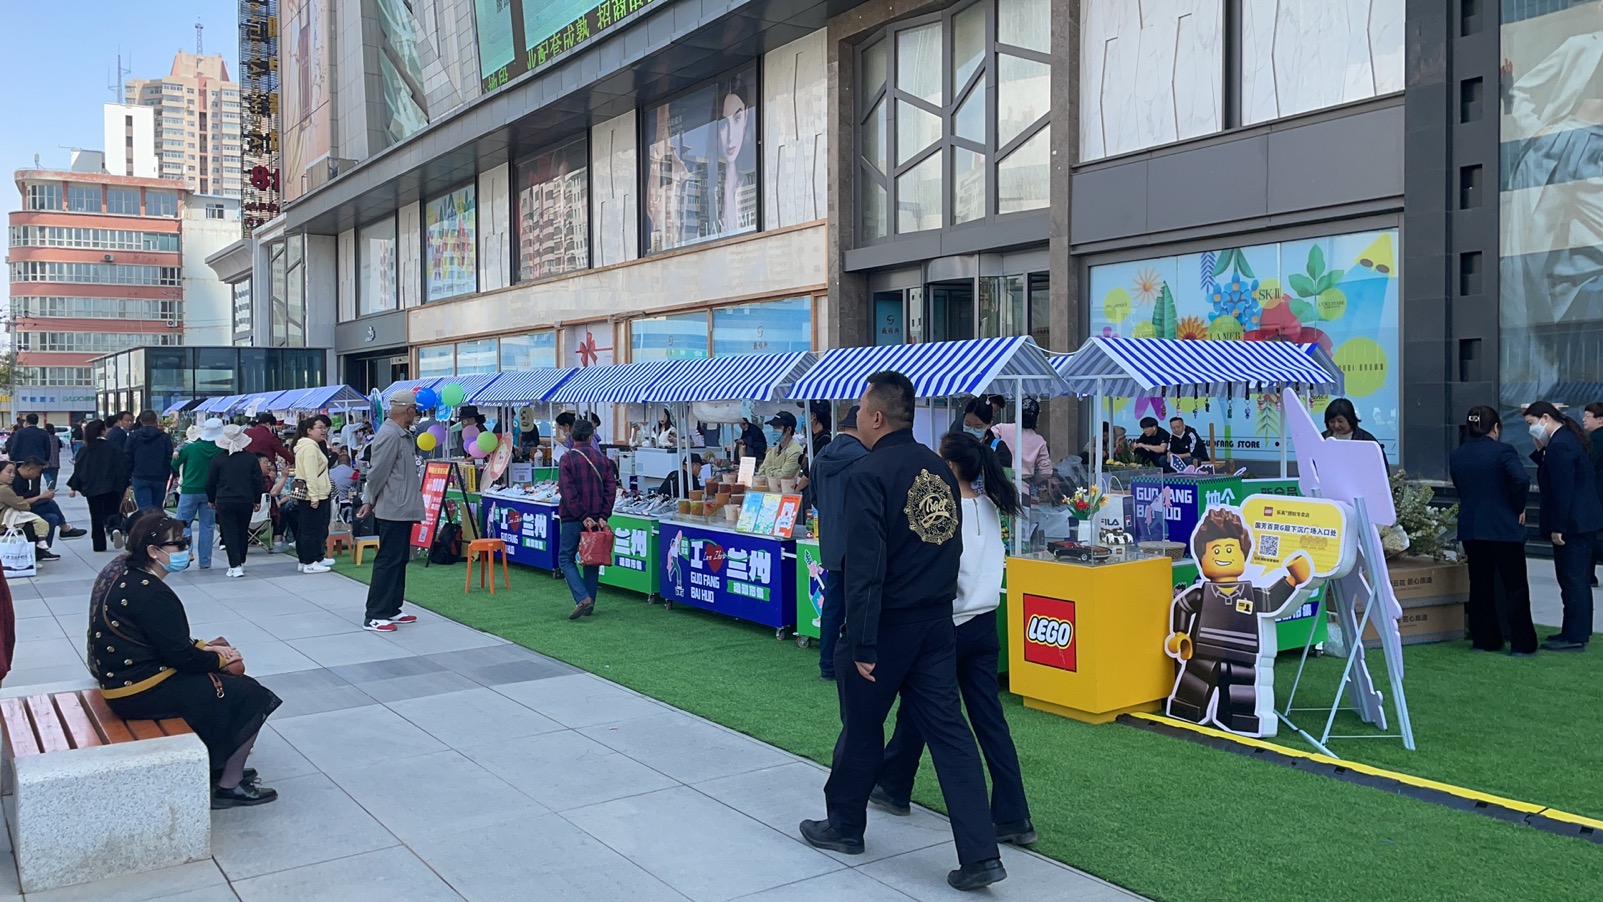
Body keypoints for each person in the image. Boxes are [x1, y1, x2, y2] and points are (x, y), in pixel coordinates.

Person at [800, 370, 1005, 892]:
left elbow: (865, 566)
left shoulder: (870, 473)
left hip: (888, 623)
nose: (857, 418)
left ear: (876, 416)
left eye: (860, 409)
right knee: (951, 735)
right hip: (937, 623)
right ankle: (981, 854)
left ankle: (845, 825)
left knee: (862, 725)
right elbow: (951, 547)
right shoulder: (938, 469)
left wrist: (862, 641)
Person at [871, 431, 1035, 843]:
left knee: (925, 708)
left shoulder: (946, 507)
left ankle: (894, 784)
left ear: (949, 465)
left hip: (949, 622)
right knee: (985, 721)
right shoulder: (990, 504)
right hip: (985, 623)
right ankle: (1014, 815)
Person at [90, 514, 282, 808]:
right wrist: (220, 661)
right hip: (140, 691)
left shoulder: (131, 578)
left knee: (225, 686)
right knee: (252, 696)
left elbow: (164, 641)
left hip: (127, 684)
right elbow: (181, 657)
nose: (185, 549)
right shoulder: (152, 592)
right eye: (178, 544)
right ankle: (230, 786)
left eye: (185, 541)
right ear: (153, 552)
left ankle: (218, 762)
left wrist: (208, 649)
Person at [1450, 407, 1536, 655]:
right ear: (1496, 427)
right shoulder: (1503, 451)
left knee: (1480, 585)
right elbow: (1521, 479)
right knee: (1515, 585)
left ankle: (1485, 639)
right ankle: (1522, 643)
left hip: (1472, 525)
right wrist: (1517, 506)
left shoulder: (1458, 454)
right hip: (1503, 526)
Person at [1526, 401, 1603, 651]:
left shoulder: (1561, 444)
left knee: (1572, 579)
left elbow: (1562, 489)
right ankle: (1574, 631)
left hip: (1573, 523)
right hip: (1580, 520)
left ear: (1545, 418)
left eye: (1531, 423)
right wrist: (1541, 449)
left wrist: (1558, 526)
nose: (1530, 429)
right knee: (1574, 578)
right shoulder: (1566, 440)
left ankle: (1575, 635)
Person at [809, 405, 869, 680]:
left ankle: (827, 664)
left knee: (833, 606)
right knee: (861, 606)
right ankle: (855, 661)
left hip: (831, 541)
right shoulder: (864, 459)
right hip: (860, 544)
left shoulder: (821, 456)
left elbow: (815, 499)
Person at [357, 391, 425, 632]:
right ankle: (375, 614)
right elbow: (377, 473)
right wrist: (369, 500)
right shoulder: (389, 434)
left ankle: (392, 607)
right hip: (393, 507)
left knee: (399, 558)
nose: (416, 414)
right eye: (415, 409)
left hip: (403, 506)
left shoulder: (402, 434)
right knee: (388, 560)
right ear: (408, 410)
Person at [556, 418, 617, 620]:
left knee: (566, 558)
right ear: (591, 437)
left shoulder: (567, 459)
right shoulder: (603, 460)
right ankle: (589, 603)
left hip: (573, 517)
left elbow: (567, 491)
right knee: (592, 559)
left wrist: (583, 516)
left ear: (572, 436)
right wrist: (603, 515)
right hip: (597, 517)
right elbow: (610, 490)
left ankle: (583, 598)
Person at [207, 425, 267, 579]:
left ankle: (234, 565)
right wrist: (257, 499)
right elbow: (257, 481)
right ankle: (241, 560)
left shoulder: (218, 459)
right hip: (245, 499)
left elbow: (211, 481)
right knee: (242, 531)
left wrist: (211, 499)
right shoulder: (251, 458)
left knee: (229, 532)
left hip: (225, 499)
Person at [69, 420, 131, 552]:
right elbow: (122, 467)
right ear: (103, 431)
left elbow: (79, 469)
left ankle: (99, 544)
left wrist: (74, 486)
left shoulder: (85, 449)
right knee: (112, 510)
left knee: (96, 516)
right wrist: (126, 483)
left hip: (92, 487)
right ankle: (114, 528)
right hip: (112, 486)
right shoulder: (113, 447)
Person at [171, 418, 225, 571]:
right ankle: (205, 561)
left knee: (183, 524)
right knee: (207, 526)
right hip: (211, 492)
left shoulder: (191, 448)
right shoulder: (221, 450)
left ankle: (186, 555)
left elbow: (174, 464)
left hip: (189, 489)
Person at [290, 417, 335, 574]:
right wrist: (314, 496)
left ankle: (310, 559)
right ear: (309, 430)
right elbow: (311, 474)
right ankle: (309, 561)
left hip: (312, 493)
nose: (323, 431)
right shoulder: (309, 448)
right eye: (320, 427)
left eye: (324, 428)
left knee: (308, 528)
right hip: (314, 494)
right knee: (311, 529)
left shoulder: (308, 446)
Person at [0, 461, 60, 561]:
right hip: (5, 522)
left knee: (50, 516)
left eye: (13, 472)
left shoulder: (7, 486)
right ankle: (35, 554)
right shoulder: (4, 489)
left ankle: (39, 552)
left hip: (9, 518)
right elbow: (22, 505)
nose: (12, 475)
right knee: (38, 522)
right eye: (9, 472)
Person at [14, 458, 86, 540]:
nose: (38, 475)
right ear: (29, 469)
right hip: (16, 511)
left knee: (52, 518)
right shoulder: (16, 480)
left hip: (23, 508)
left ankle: (44, 546)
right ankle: (65, 529)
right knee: (49, 503)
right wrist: (41, 497)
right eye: (38, 472)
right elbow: (19, 502)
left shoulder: (23, 478)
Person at [991, 398, 1053, 483]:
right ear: (1036, 418)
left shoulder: (1001, 429)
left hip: (999, 481)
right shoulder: (1039, 441)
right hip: (1024, 484)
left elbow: (986, 440)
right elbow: (1046, 471)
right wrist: (1034, 481)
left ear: (1017, 414)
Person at [125, 411, 174, 511]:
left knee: (144, 509)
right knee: (157, 508)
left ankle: (146, 521)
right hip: (160, 476)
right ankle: (156, 521)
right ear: (155, 421)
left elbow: (128, 456)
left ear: (140, 421)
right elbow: (169, 456)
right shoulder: (164, 437)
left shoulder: (133, 436)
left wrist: (129, 474)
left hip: (140, 475)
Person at [1322, 398, 1387, 466]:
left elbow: (1381, 466)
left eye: (1340, 421)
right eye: (1332, 421)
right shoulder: (1322, 438)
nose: (1336, 425)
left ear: (1350, 419)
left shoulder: (1366, 440)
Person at [958, 400, 1013, 469]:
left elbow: (1005, 475)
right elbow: (944, 474)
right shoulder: (955, 445)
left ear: (989, 425)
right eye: (967, 424)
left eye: (978, 427)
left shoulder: (999, 449)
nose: (971, 429)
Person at [1584, 403, 1603, 586]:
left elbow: (1590, 464)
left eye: (1588, 416)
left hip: (1597, 493)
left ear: (1600, 420)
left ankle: (1589, 575)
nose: (1584, 420)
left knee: (1590, 537)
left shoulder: (1596, 439)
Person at [757, 411, 805, 479]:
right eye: (774, 427)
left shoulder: (796, 451)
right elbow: (761, 472)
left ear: (788, 429)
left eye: (778, 427)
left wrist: (768, 470)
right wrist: (776, 471)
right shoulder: (772, 451)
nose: (774, 430)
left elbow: (784, 476)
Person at [42, 417, 61, 490]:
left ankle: (49, 481)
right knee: (54, 476)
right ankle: (52, 488)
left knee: (45, 472)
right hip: (55, 460)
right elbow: (60, 446)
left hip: (46, 459)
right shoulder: (56, 438)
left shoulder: (44, 438)